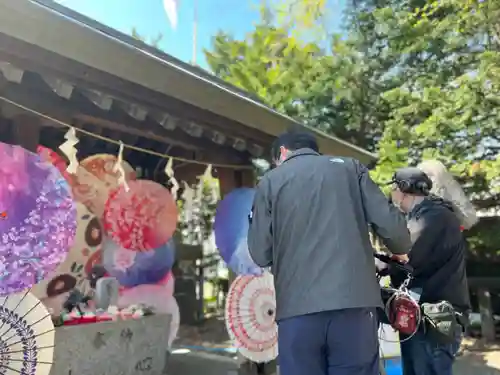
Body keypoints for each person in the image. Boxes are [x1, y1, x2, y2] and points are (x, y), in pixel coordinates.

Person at [247, 130, 412, 375]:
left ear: (281, 153)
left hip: (297, 310)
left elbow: (260, 253)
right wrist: (400, 249)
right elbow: (395, 232)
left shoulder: (270, 181)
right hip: (355, 306)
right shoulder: (351, 169)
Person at [388, 167, 470, 375]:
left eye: (393, 188)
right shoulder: (431, 214)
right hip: (424, 317)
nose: (392, 194)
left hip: (433, 320)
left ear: (403, 189)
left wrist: (378, 264)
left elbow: (406, 258)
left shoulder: (432, 217)